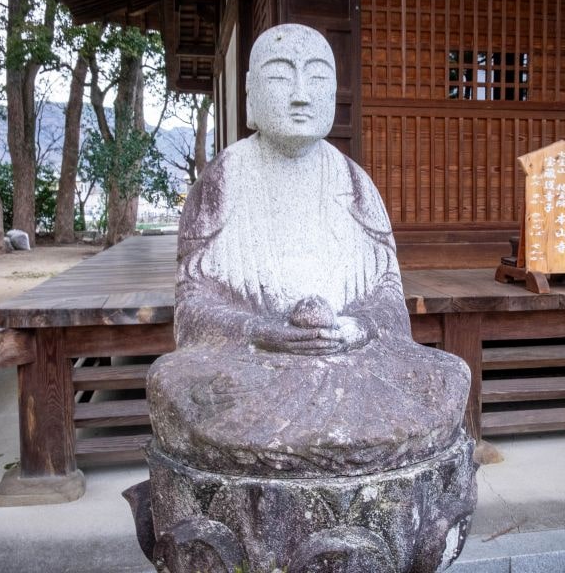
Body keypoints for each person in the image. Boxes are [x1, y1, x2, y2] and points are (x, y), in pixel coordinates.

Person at [147, 24, 470, 478]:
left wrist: (357, 328)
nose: (302, 96)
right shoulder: (220, 183)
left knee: (447, 375)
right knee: (174, 384)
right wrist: (261, 331)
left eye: (317, 78)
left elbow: (388, 296)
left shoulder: (355, 184)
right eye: (281, 78)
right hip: (252, 363)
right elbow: (193, 306)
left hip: (354, 357)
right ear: (250, 99)